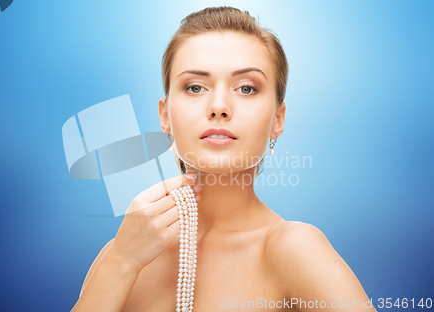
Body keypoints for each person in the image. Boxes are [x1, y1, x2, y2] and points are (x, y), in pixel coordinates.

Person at [71, 6, 376, 312]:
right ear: (164, 115)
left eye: (246, 88)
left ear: (278, 120)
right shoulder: (121, 254)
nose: (219, 107)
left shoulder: (294, 249)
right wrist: (120, 262)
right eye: (195, 87)